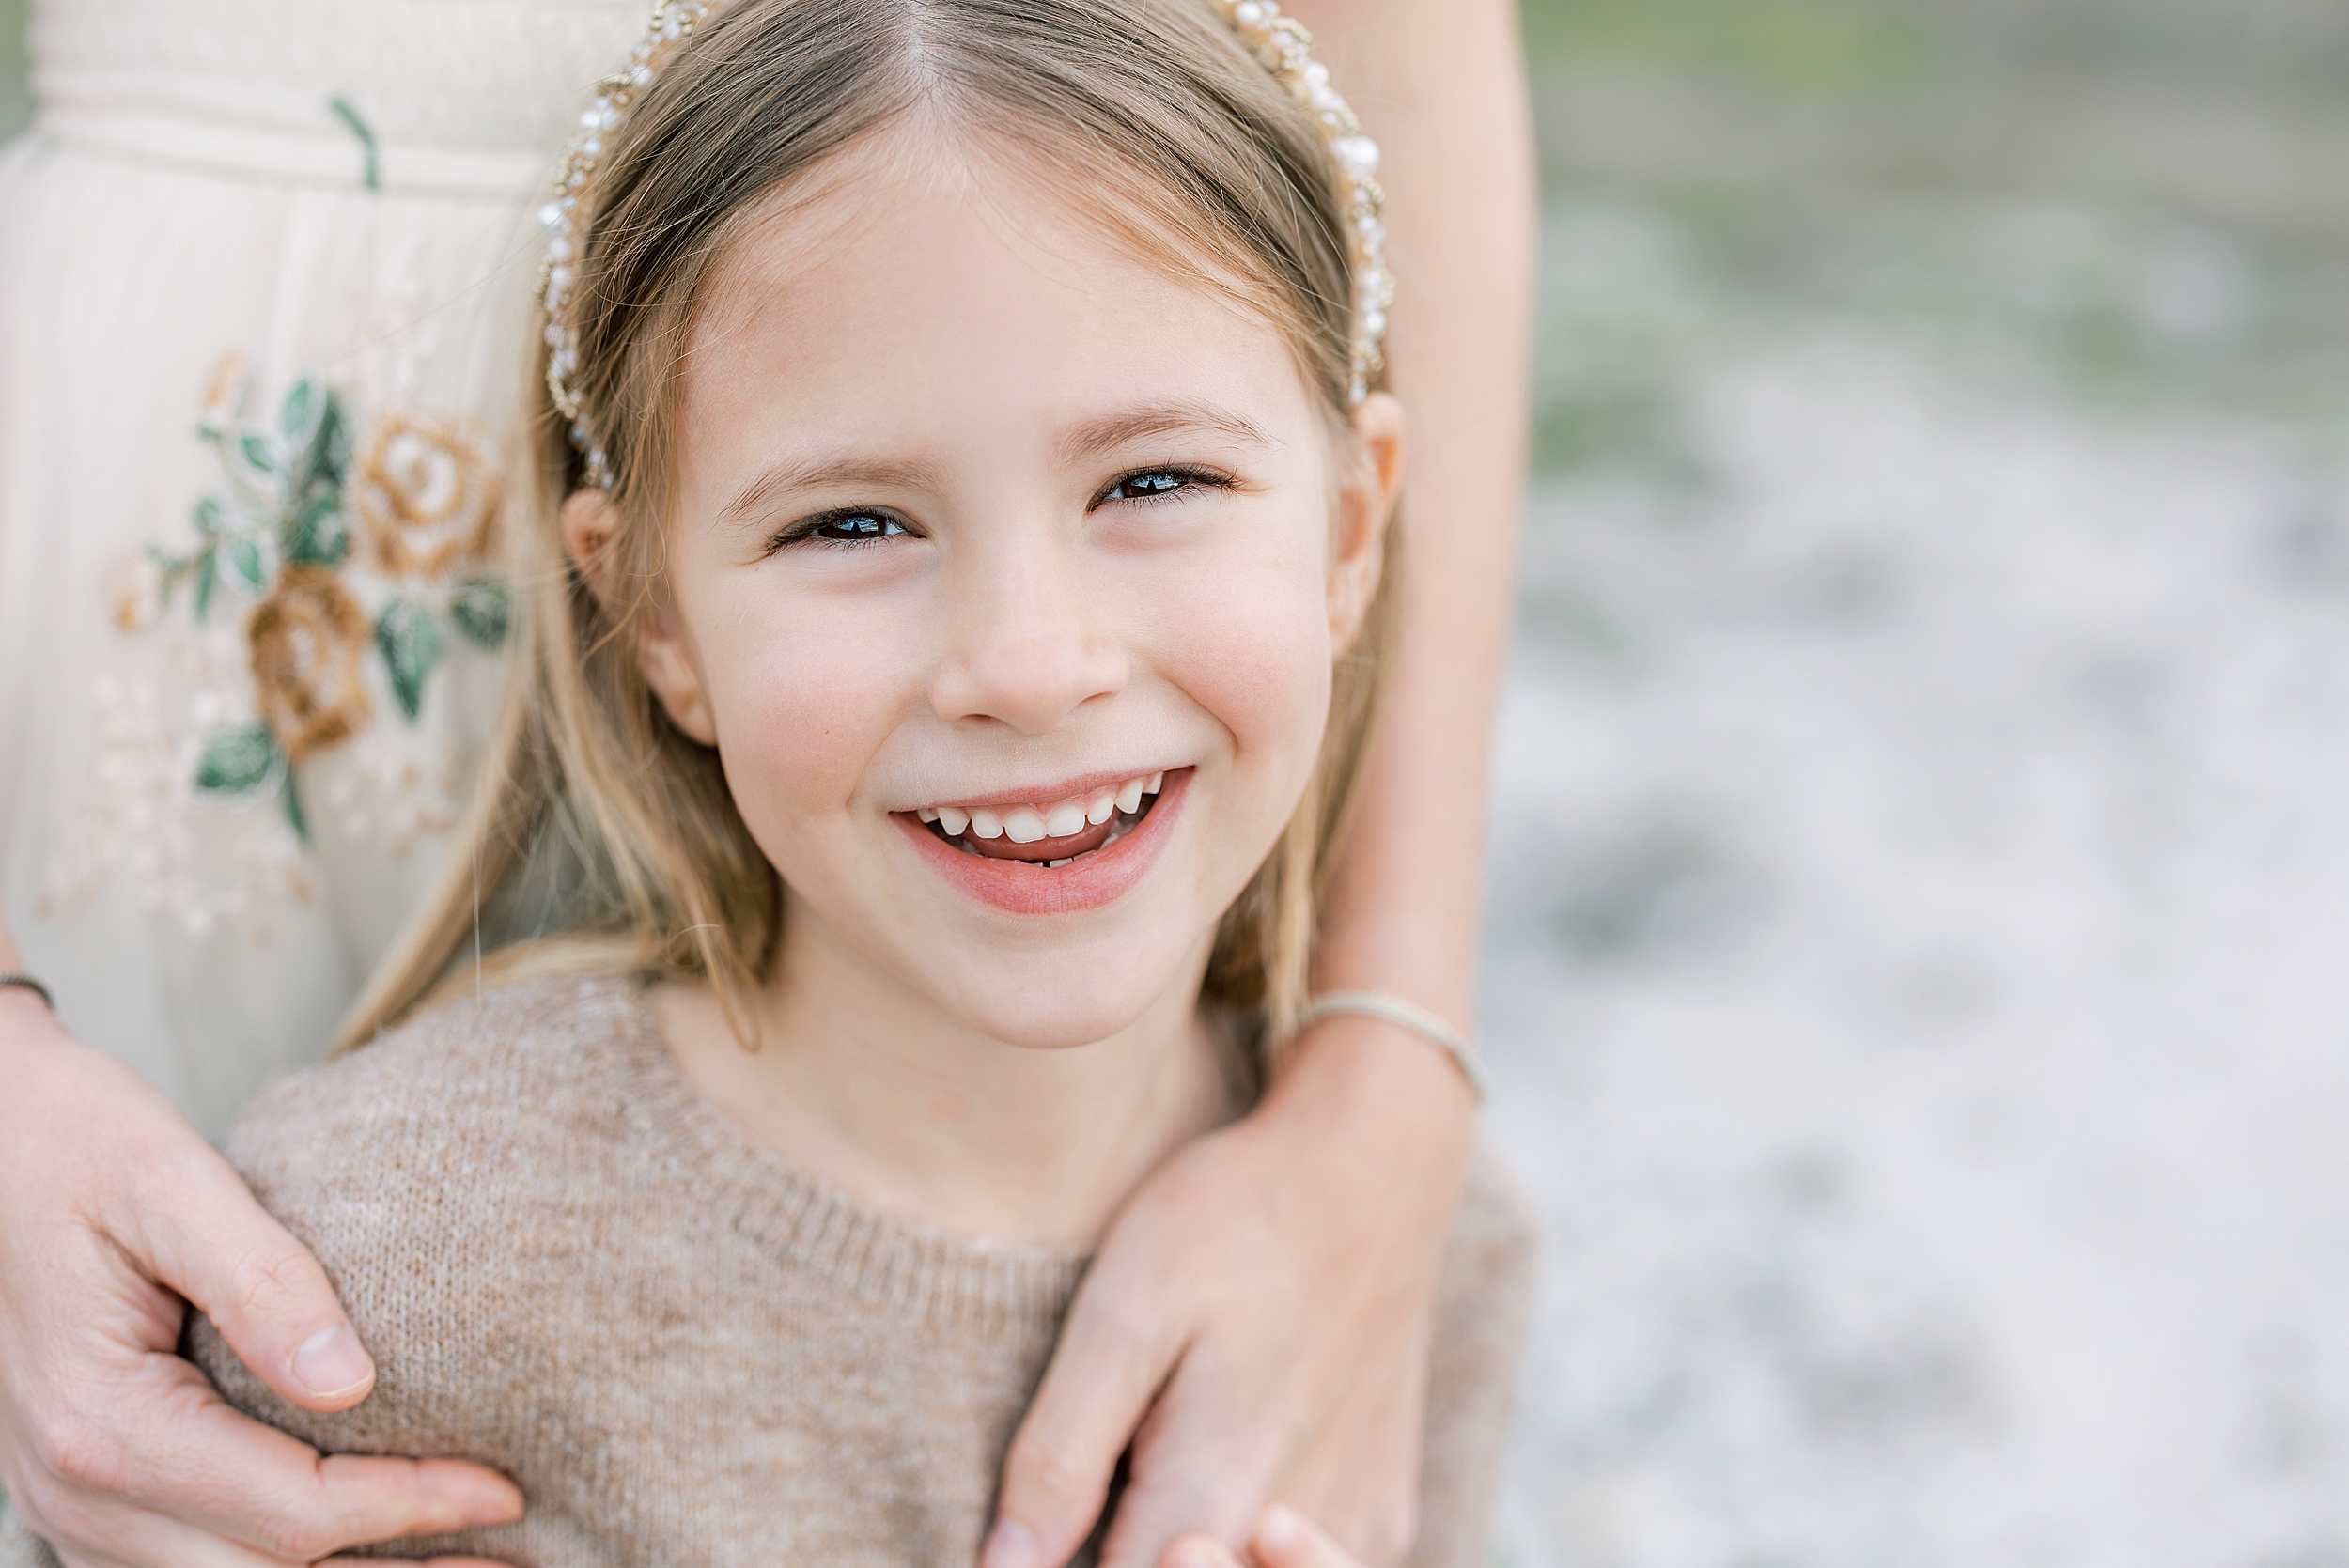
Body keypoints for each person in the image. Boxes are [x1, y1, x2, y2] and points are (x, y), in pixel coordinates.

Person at [0, 0, 1534, 1560]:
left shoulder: (1438, 1236)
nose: (1025, 662)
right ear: (648, 612)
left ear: (1353, 531)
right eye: (854, 524)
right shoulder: (391, 1258)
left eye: (1154, 481)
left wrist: (1393, 1034)